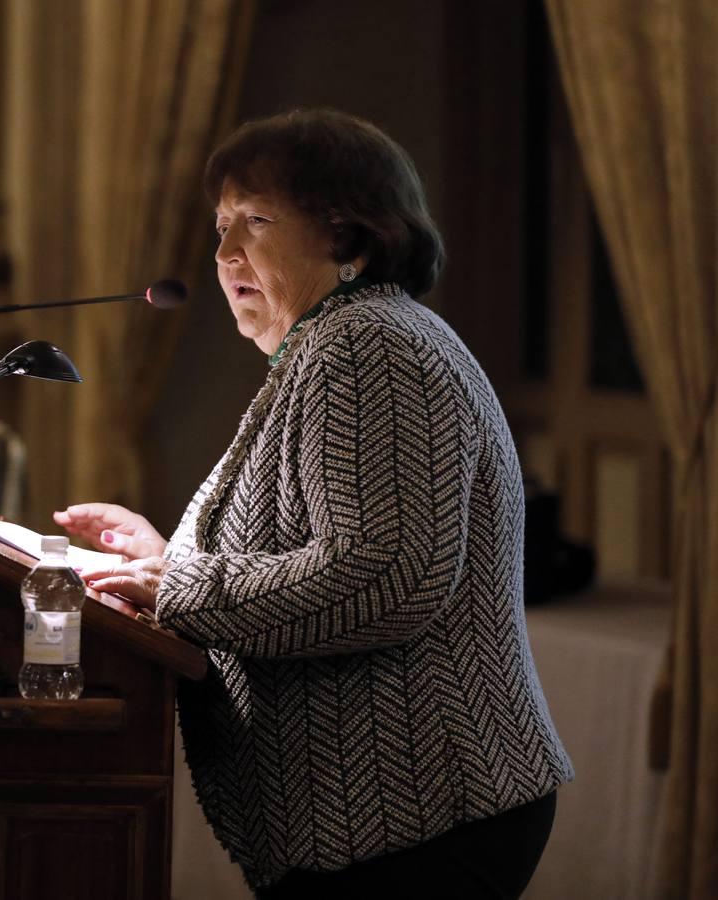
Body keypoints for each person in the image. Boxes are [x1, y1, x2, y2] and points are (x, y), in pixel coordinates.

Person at [55, 109, 573, 899]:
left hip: (419, 810)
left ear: (348, 236)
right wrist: (167, 558)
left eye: (255, 221)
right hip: (393, 813)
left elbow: (385, 576)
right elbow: (318, 549)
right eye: (220, 225)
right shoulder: (337, 346)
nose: (225, 251)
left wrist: (177, 588)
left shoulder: (369, 347)